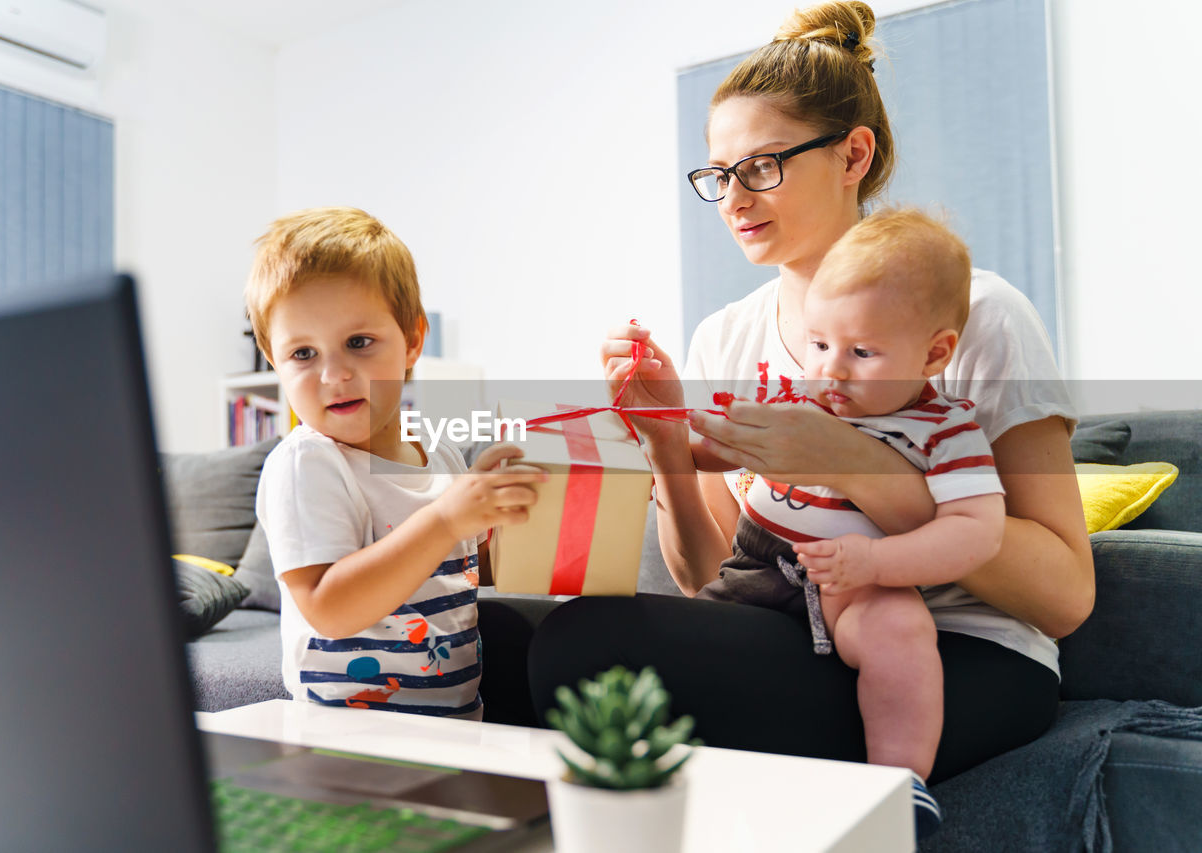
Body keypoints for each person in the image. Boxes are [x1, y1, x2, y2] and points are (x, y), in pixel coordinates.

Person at [529, 0, 1092, 792]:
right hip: (788, 625)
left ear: (853, 154)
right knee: (509, 632)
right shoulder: (722, 340)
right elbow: (708, 578)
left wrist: (852, 463)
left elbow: (1065, 595)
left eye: (761, 167)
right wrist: (663, 444)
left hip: (953, 647)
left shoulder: (977, 315)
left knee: (580, 652)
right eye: (719, 175)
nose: (733, 198)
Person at [695, 207, 1005, 835]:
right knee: (689, 643)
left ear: (934, 353)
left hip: (855, 585)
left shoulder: (945, 429)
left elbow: (978, 529)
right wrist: (656, 433)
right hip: (755, 567)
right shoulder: (799, 392)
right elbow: (718, 447)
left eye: (862, 352)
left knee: (902, 632)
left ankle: (897, 788)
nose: (831, 370)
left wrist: (877, 564)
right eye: (818, 344)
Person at [246, 207, 546, 720]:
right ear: (274, 361)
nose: (333, 374)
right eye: (302, 354)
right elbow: (328, 607)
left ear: (412, 340)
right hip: (346, 736)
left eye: (358, 343)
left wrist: (512, 513)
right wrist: (448, 517)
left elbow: (463, 575)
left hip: (457, 722)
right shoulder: (306, 464)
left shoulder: (443, 455)